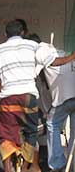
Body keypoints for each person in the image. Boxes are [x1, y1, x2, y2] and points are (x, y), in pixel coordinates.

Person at [0, 20, 75, 172]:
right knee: (31, 133)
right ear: (23, 33)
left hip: (8, 97)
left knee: (6, 135)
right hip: (28, 96)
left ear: (5, 34)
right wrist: (71, 56)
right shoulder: (33, 46)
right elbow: (53, 62)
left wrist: (1, 95)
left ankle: (8, 169)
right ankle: (26, 167)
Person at [28, 34, 75, 172]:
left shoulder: (40, 51)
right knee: (74, 132)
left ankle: (57, 164)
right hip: (72, 94)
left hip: (63, 97)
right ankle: (72, 166)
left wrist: (71, 56)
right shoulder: (54, 49)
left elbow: (34, 74)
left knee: (52, 125)